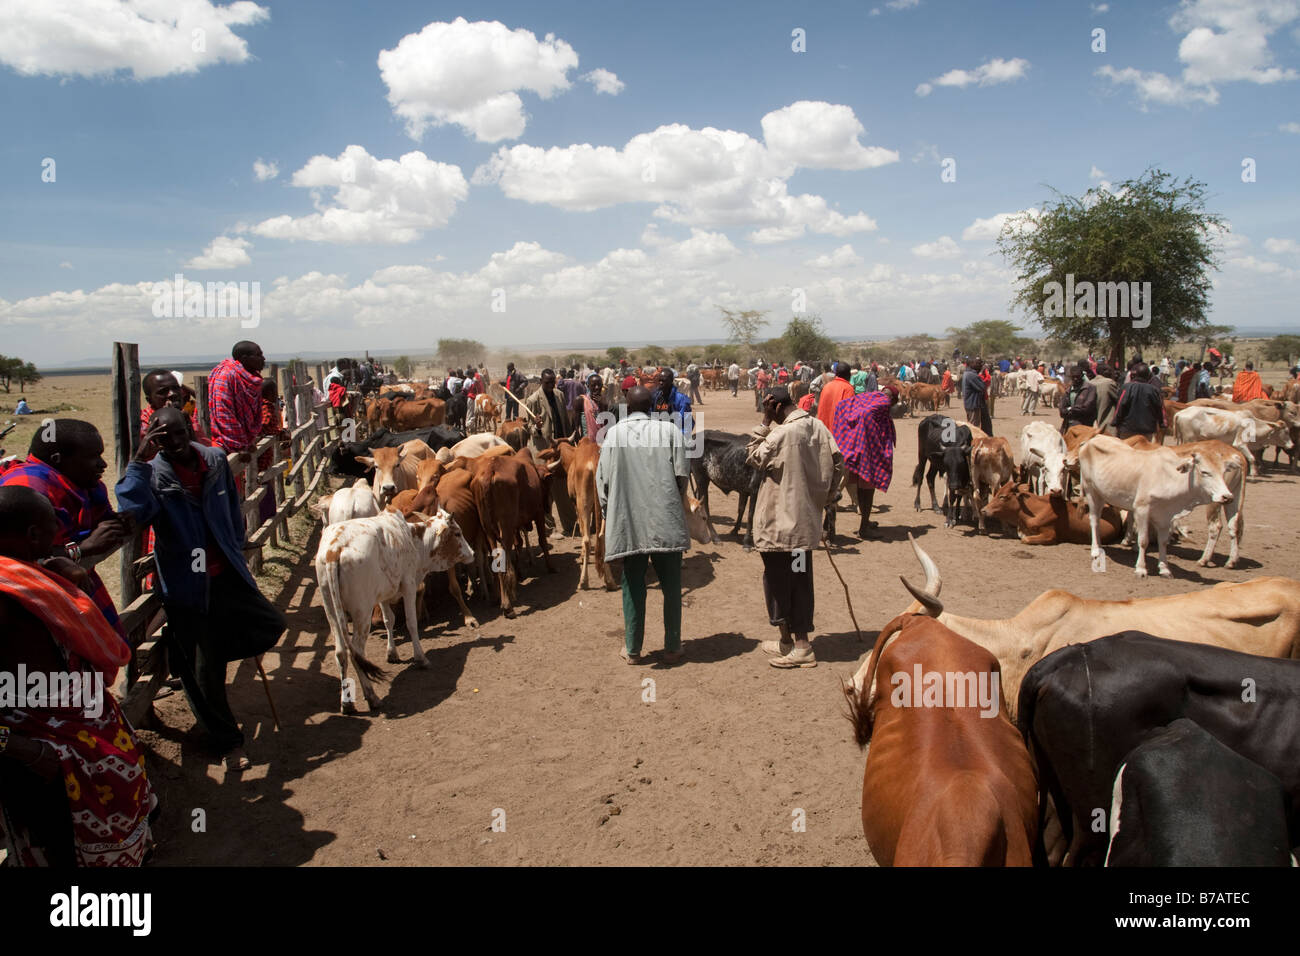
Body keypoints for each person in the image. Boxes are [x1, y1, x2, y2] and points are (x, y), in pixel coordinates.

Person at [117, 407, 286, 773]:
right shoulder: (153, 474)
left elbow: (229, 509)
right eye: (164, 439)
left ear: (190, 429)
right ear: (153, 440)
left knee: (271, 624)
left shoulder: (213, 460)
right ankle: (227, 739)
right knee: (205, 670)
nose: (175, 444)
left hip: (224, 570)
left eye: (179, 434)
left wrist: (235, 545)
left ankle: (197, 661)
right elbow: (133, 511)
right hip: (186, 581)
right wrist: (137, 463)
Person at [0, 485, 156, 867]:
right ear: (34, 535)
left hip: (77, 737)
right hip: (42, 753)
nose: (60, 537)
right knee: (57, 848)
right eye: (53, 526)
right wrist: (22, 749)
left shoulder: (26, 573)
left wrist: (66, 560)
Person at [0, 420, 131, 637]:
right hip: (31, 607)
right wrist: (82, 549)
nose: (103, 464)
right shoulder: (28, 488)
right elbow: (17, 559)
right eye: (93, 457)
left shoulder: (77, 483)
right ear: (58, 460)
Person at [747, 387, 843, 669]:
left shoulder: (780, 434)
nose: (769, 414)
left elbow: (753, 457)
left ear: (775, 406)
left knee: (778, 582)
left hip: (779, 530)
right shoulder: (819, 427)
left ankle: (799, 645)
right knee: (800, 579)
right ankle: (789, 642)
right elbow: (838, 464)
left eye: (769, 409)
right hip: (805, 528)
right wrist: (822, 499)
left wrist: (763, 423)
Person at [596, 386, 689, 665]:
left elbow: (604, 483)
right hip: (666, 522)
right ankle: (672, 647)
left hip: (630, 523)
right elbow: (682, 476)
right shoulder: (671, 431)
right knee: (672, 586)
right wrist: (673, 503)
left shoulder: (613, 435)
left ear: (627, 404)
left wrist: (609, 513)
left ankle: (633, 650)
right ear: (653, 406)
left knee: (633, 585)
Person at [830, 385, 898, 538]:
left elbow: (842, 406)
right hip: (867, 452)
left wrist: (847, 436)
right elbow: (868, 414)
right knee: (867, 490)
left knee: (844, 488)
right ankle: (864, 529)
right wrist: (871, 441)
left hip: (848, 446)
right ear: (892, 399)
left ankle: (860, 524)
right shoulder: (884, 403)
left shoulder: (868, 396)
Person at [208, 340, 265, 473]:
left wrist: (245, 443)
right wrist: (239, 445)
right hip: (223, 443)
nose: (263, 358)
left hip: (241, 443)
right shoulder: (226, 376)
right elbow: (224, 414)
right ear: (245, 359)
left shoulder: (248, 379)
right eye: (258, 355)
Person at [141, 369, 203, 448]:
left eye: (176, 388)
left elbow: (203, 451)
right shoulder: (145, 425)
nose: (173, 394)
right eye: (163, 391)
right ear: (150, 400)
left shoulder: (185, 416)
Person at [1113, 364, 1165, 441]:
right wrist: (1162, 423)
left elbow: (1120, 405)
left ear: (1134, 375)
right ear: (1148, 376)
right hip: (1147, 431)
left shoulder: (1126, 388)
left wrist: (1115, 422)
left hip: (1127, 429)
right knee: (1143, 452)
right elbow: (1160, 408)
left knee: (1127, 451)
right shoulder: (1154, 390)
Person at [816, 362, 856, 434]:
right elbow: (850, 414)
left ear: (836, 374)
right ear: (848, 375)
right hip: (839, 434)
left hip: (825, 432)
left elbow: (821, 410)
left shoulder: (826, 387)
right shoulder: (848, 389)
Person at [1059, 364, 1098, 432]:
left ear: (1082, 376)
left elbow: (1086, 408)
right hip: (1068, 425)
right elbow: (1062, 410)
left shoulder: (1090, 388)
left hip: (1084, 425)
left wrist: (1070, 409)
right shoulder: (1069, 390)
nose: (1075, 379)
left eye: (1077, 377)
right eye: (1073, 377)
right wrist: (1070, 410)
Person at [962, 361, 992, 434]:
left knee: (971, 424)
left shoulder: (967, 373)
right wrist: (981, 374)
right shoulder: (972, 375)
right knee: (974, 426)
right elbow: (982, 386)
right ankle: (972, 442)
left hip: (969, 402)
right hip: (973, 403)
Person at [575, 373, 606, 443]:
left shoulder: (604, 401)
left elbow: (606, 423)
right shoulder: (580, 400)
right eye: (593, 385)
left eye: (599, 385)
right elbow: (576, 425)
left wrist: (602, 404)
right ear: (588, 386)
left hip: (602, 442)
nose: (597, 387)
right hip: (587, 442)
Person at [1091, 363, 1120, 434]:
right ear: (1104, 372)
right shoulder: (1109, 383)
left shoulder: (1090, 382)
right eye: (1109, 371)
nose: (1111, 373)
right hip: (1107, 423)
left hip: (1093, 423)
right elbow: (1119, 399)